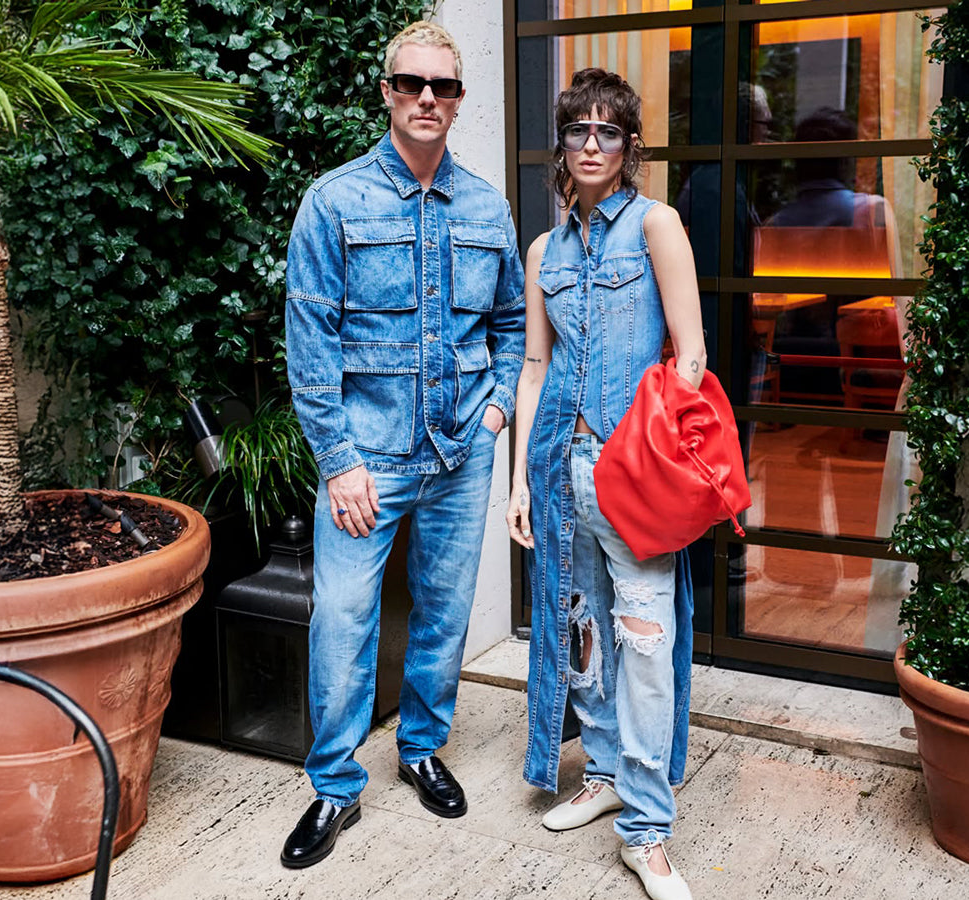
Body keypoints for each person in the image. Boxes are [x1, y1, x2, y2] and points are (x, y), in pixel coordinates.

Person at [281, 20, 525, 869]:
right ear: (386, 91)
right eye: (412, 83)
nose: (428, 98)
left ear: (458, 100)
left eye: (444, 87)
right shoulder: (335, 201)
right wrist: (340, 461)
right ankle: (334, 788)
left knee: (445, 617)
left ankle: (421, 748)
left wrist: (495, 413)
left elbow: (510, 323)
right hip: (368, 462)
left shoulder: (486, 206)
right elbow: (309, 343)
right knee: (343, 622)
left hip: (461, 457)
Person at [506, 68, 706, 900]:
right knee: (579, 629)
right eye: (579, 131)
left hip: (633, 478)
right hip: (557, 470)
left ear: (630, 147)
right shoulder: (543, 251)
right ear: (563, 144)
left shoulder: (658, 227)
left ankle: (648, 830)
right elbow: (533, 365)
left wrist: (660, 462)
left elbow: (690, 359)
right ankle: (605, 772)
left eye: (609, 132)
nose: (593, 145)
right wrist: (519, 478)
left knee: (646, 645)